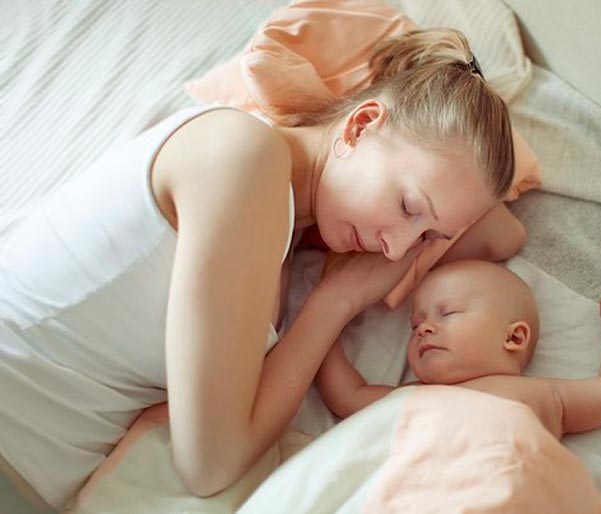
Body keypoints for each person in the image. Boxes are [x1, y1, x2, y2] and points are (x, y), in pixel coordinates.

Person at [0, 28, 525, 509]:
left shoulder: (284, 225)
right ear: (361, 125)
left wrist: (437, 208)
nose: (396, 250)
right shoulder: (243, 161)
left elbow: (505, 235)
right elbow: (209, 464)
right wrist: (334, 302)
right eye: (408, 207)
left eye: (427, 237)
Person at [316, 261, 601, 508]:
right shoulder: (411, 395)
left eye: (447, 313)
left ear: (514, 337)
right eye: (416, 324)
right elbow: (347, 395)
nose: (423, 329)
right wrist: (324, 326)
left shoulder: (543, 393)